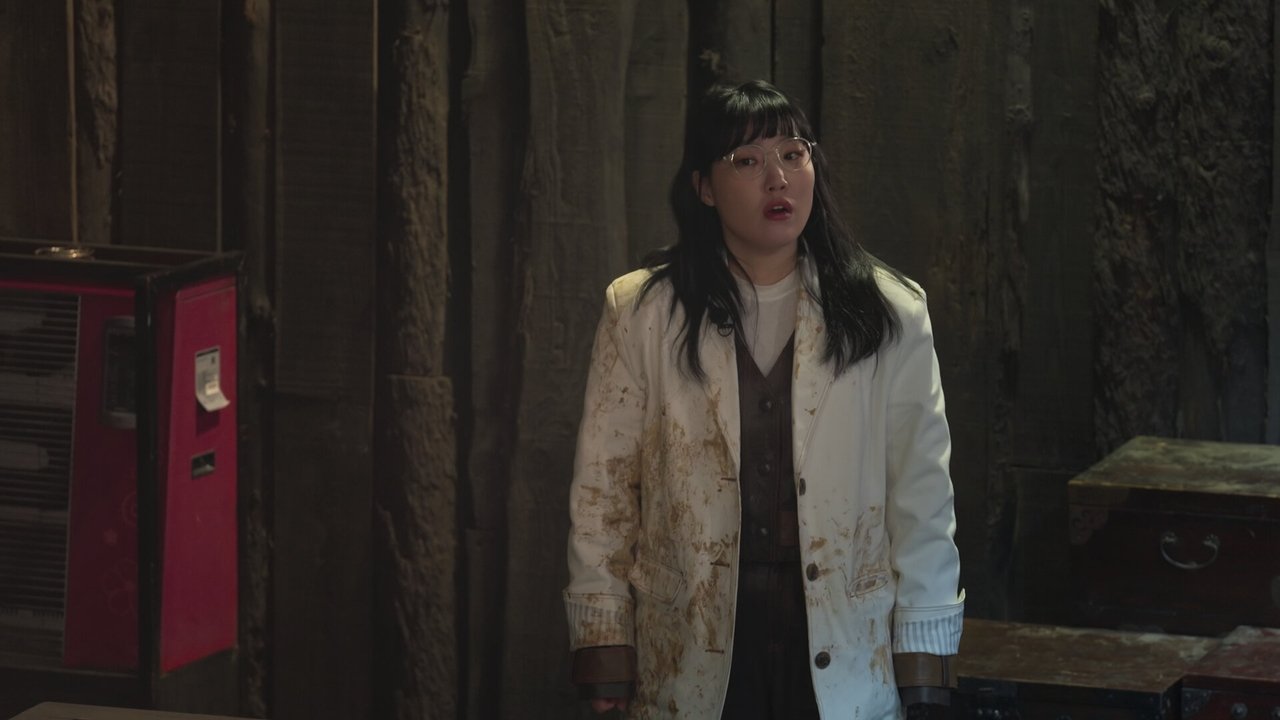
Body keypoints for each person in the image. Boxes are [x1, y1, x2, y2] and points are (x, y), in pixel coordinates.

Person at [563, 79, 964, 719]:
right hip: (689, 643)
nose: (777, 178)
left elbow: (922, 494)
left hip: (843, 642)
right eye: (747, 161)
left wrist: (924, 656)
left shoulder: (889, 311)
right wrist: (604, 640)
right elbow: (603, 492)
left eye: (792, 154)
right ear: (704, 187)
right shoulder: (642, 311)